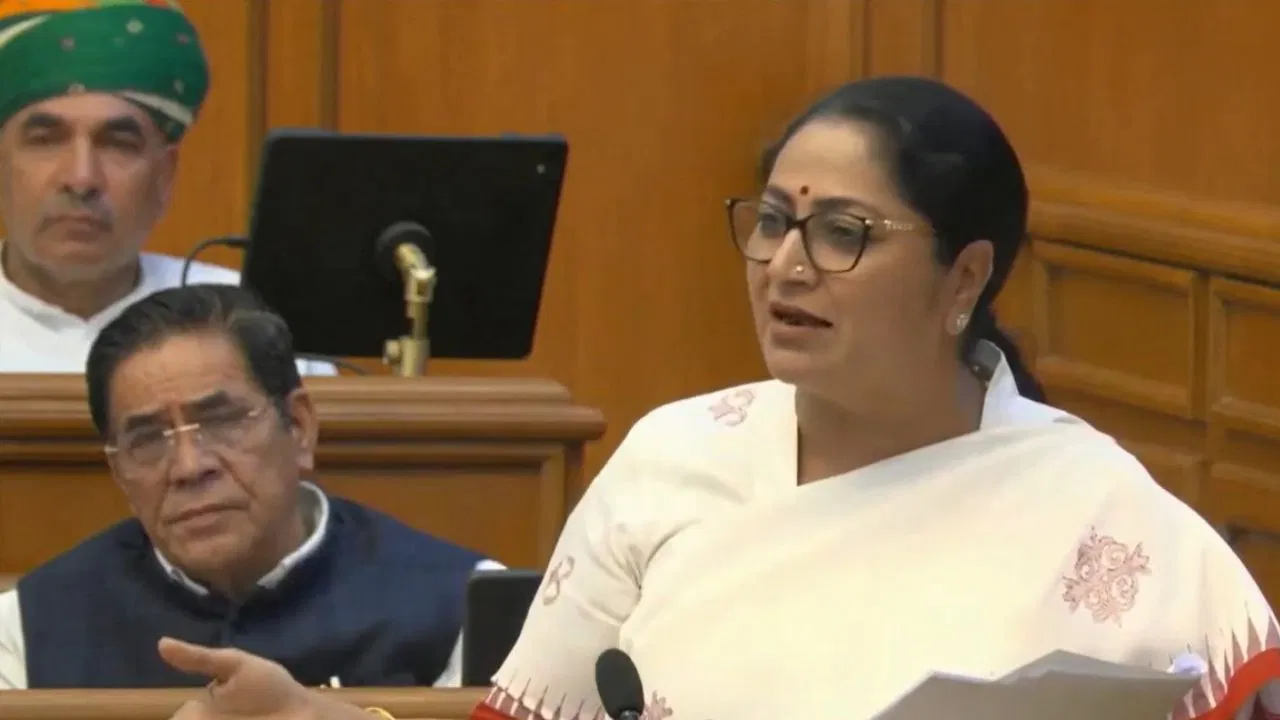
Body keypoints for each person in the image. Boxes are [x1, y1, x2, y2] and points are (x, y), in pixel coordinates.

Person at [146, 77, 1278, 720]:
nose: (785, 265)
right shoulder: (675, 456)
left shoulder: (1094, 509)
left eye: (843, 233)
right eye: (774, 221)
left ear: (965, 278)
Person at [0, 284, 499, 689]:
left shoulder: (465, 607)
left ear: (298, 427)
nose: (189, 467)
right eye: (148, 439)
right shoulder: (29, 626)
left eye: (221, 422)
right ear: (119, 473)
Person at [0, 0, 329, 375]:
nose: (81, 179)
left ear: (164, 176)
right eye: (45, 141)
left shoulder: (254, 322)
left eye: (118, 144)